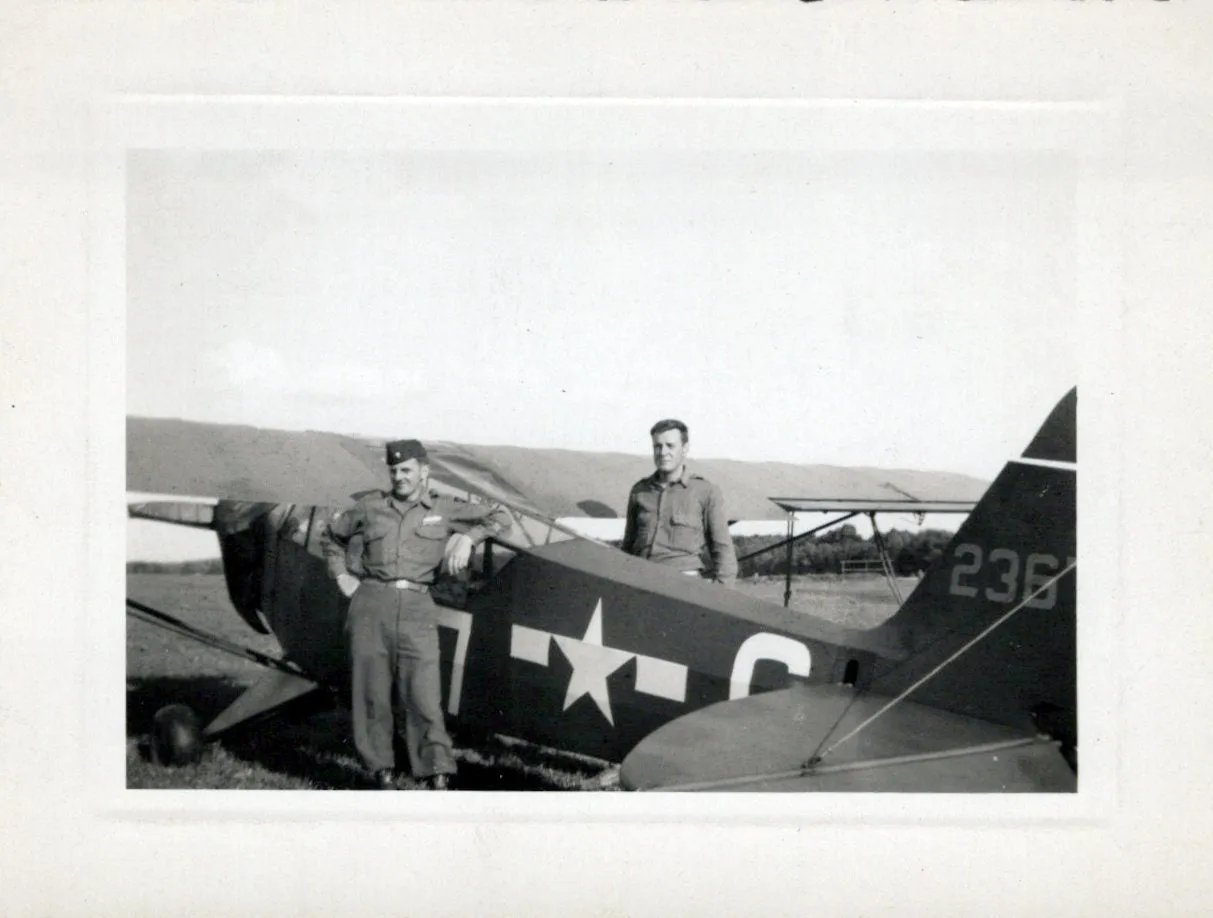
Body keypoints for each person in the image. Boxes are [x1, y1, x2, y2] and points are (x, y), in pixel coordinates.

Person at [320, 438, 511, 790]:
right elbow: (331, 537)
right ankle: (381, 769)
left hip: (418, 606)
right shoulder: (369, 508)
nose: (399, 477)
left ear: (424, 472)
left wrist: (470, 538)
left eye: (406, 470)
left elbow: (501, 517)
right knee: (371, 692)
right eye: (394, 470)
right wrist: (342, 576)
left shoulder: (445, 508)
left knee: (422, 693)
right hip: (371, 604)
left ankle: (436, 769)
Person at [620, 419, 738, 587]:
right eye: (657, 446)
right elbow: (628, 547)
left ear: (685, 448)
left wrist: (720, 597)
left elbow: (723, 551)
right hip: (641, 580)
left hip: (684, 584)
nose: (663, 452)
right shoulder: (639, 491)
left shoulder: (705, 491)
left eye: (670, 445)